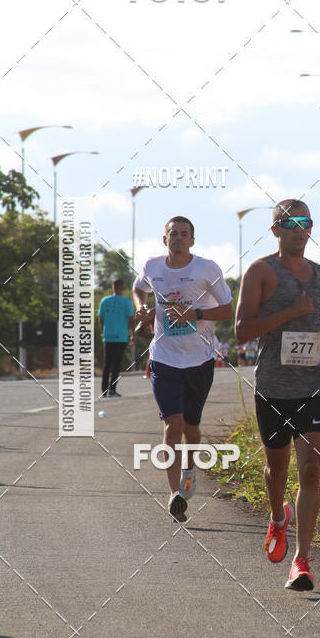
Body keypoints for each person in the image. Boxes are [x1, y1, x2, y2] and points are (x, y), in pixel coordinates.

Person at [235, 199, 320, 591]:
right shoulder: (260, 271)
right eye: (289, 222)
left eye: (305, 222)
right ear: (275, 230)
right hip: (272, 386)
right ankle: (277, 516)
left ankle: (301, 561)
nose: (298, 228)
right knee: (277, 471)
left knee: (311, 470)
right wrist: (290, 312)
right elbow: (241, 330)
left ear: (311, 229)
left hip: (314, 385)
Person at [133, 216, 233, 522]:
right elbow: (140, 289)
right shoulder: (153, 267)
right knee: (172, 424)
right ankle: (174, 493)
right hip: (164, 358)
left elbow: (229, 309)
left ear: (192, 240)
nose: (177, 238)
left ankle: (190, 468)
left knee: (191, 426)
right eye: (172, 234)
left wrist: (197, 312)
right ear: (164, 239)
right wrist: (141, 308)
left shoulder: (207, 269)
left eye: (183, 234)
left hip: (200, 359)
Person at [98, 279, 135, 397]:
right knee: (116, 365)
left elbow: (100, 318)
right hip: (121, 337)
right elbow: (131, 319)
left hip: (108, 337)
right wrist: (133, 334)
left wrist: (102, 332)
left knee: (107, 364)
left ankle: (104, 390)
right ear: (122, 288)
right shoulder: (126, 302)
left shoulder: (105, 301)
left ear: (112, 287)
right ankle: (112, 390)